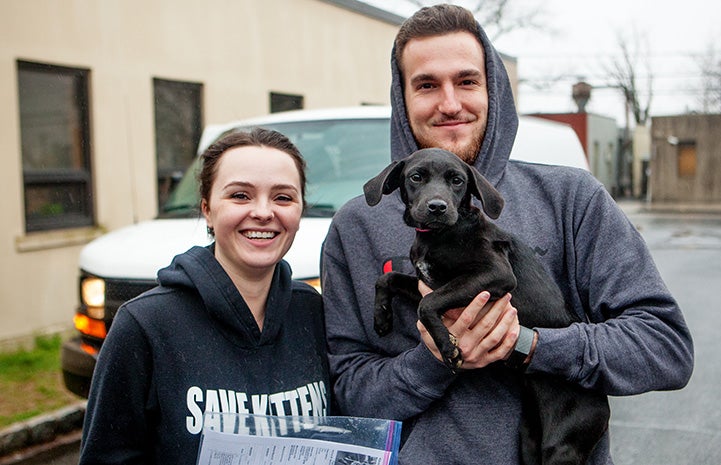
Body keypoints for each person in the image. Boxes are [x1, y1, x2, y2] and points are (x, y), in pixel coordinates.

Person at [321, 4, 693, 464]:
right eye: (427, 85)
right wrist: (436, 358)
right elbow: (348, 394)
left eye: (467, 81)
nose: (450, 103)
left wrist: (530, 344)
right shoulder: (355, 227)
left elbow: (664, 347)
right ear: (402, 99)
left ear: (493, 89)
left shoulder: (572, 198)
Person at [80, 128, 330, 464]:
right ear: (208, 210)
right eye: (240, 196)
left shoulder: (315, 313)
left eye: (283, 197)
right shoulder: (145, 325)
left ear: (300, 211)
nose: (263, 212)